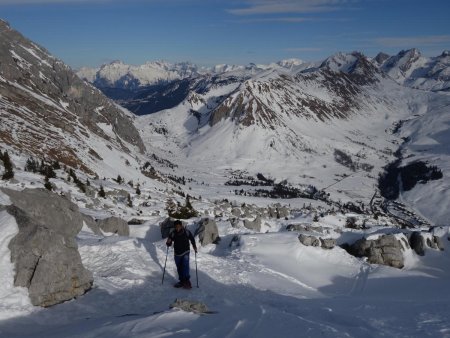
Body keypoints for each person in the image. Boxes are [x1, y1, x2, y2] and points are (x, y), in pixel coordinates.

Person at [166, 220, 197, 289]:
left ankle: (187, 281)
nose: (177, 228)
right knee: (179, 267)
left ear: (181, 226)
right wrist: (168, 243)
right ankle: (182, 281)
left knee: (185, 266)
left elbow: (192, 238)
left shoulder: (186, 232)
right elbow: (169, 241)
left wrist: (194, 246)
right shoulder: (173, 233)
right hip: (177, 253)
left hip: (186, 251)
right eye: (176, 227)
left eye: (179, 226)